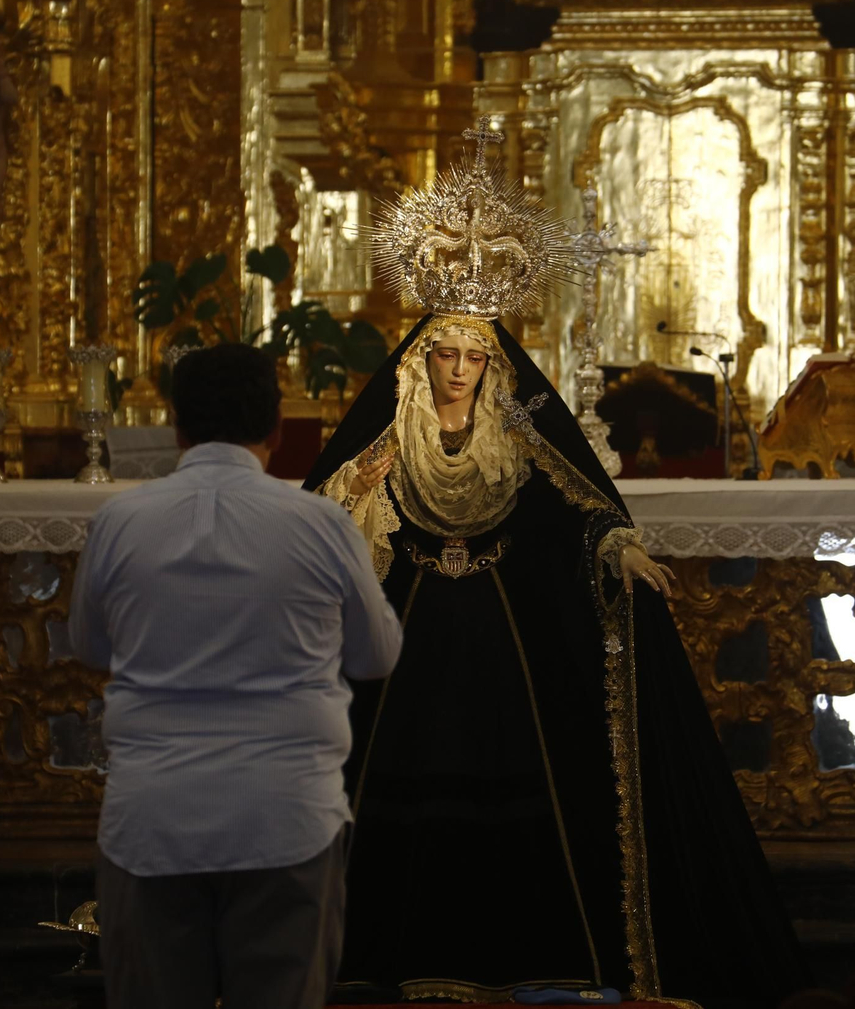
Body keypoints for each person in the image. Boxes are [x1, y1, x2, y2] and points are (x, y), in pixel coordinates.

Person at [304, 121, 807, 1007]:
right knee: (396, 783)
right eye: (445, 354)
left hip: (505, 645)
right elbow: (319, 524)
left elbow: (575, 504)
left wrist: (619, 546)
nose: (458, 369)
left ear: (494, 367)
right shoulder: (386, 434)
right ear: (419, 361)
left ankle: (526, 943)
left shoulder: (520, 428)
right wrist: (361, 487)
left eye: (473, 356)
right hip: (407, 639)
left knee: (521, 787)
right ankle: (381, 948)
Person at [68, 343, 403, 1009]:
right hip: (286, 818)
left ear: (177, 427)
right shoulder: (323, 524)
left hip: (154, 817)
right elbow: (377, 656)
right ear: (278, 429)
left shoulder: (120, 522)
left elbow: (89, 644)